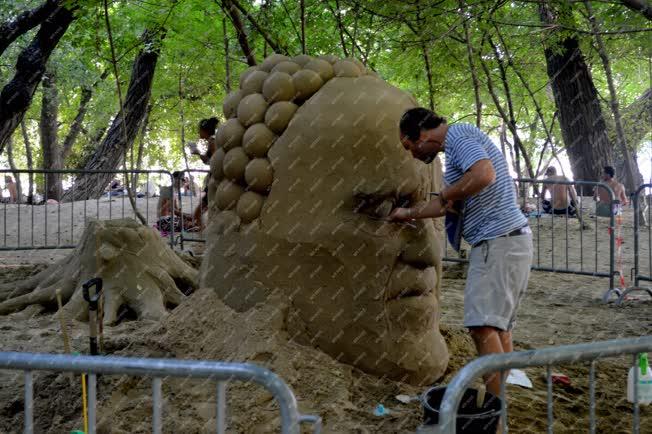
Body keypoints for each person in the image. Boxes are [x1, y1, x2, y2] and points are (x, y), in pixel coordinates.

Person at [390, 108, 533, 398]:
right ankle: (499, 404)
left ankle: (495, 412)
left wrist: (447, 194)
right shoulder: (456, 151)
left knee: (483, 327)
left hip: (498, 241)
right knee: (498, 327)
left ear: (423, 131)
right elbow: (444, 206)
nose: (413, 154)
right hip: (507, 241)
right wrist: (405, 213)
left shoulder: (459, 136)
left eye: (410, 145)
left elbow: (484, 174)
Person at [189, 117, 219, 227]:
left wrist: (199, 153)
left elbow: (214, 161)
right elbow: (208, 160)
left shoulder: (212, 141)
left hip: (214, 178)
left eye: (199, 129)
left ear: (204, 130)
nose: (198, 132)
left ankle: (202, 236)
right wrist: (198, 153)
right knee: (201, 211)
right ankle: (203, 234)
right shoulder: (212, 140)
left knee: (197, 213)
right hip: (213, 178)